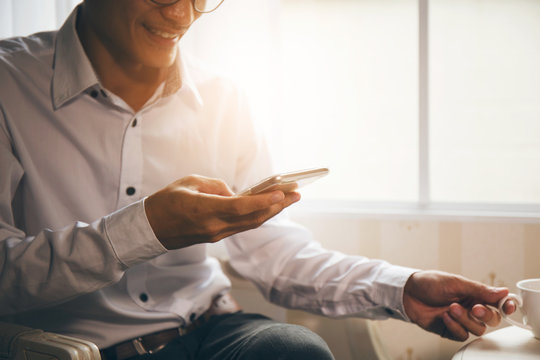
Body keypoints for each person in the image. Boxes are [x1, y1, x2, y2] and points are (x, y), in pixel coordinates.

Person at [0, 0, 514, 359]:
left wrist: (401, 288)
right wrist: (146, 228)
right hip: (68, 347)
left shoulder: (223, 96)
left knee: (296, 352)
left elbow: (273, 254)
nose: (182, 14)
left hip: (211, 332)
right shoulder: (9, 85)